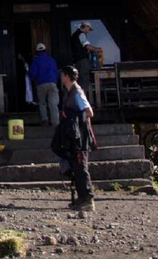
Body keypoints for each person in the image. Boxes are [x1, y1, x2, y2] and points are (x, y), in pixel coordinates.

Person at [59, 65, 96, 212]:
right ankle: (81, 197)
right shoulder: (68, 92)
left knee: (81, 166)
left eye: (62, 75)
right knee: (74, 165)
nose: (61, 77)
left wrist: (75, 120)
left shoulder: (77, 92)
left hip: (80, 134)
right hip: (72, 135)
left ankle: (88, 198)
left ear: (67, 76)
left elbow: (89, 112)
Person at [28, 43, 59, 126]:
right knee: (53, 103)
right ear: (45, 50)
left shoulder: (36, 61)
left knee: (42, 102)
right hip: (52, 83)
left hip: (41, 84)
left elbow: (32, 74)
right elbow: (56, 72)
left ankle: (44, 119)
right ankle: (55, 122)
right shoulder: (52, 60)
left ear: (37, 52)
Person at [70, 22, 102, 97]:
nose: (89, 31)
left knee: (79, 82)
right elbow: (86, 46)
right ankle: (85, 103)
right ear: (86, 27)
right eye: (89, 29)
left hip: (76, 61)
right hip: (83, 61)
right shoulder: (81, 34)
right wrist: (96, 49)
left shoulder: (74, 35)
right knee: (84, 82)